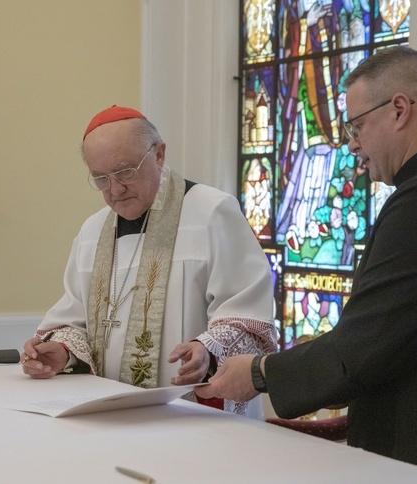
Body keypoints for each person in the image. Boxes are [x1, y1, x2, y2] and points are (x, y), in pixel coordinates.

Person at [195, 46, 417, 482]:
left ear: (399, 109)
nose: (351, 143)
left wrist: (258, 372)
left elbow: (367, 345)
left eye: (358, 125)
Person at [21, 105, 277, 416]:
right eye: (100, 178)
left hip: (193, 416)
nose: (115, 189)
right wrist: (62, 351)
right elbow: (73, 318)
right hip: (110, 416)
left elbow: (247, 314)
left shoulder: (211, 213)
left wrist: (207, 351)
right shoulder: (92, 231)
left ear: (159, 154)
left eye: (125, 171)